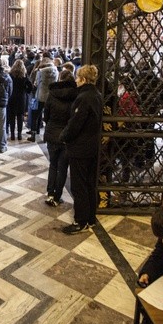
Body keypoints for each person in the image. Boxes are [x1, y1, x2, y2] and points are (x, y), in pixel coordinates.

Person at [59, 64, 102, 234]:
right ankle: (90, 218)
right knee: (89, 183)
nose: (76, 81)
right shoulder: (96, 94)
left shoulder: (84, 97)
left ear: (83, 79)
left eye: (78, 78)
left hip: (81, 148)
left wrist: (63, 137)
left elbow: (75, 124)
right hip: (91, 146)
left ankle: (81, 221)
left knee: (79, 186)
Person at [43, 69, 77, 206]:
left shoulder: (52, 94)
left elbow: (46, 115)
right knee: (62, 167)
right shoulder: (75, 95)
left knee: (53, 165)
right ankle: (57, 197)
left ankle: (50, 194)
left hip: (52, 133)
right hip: (66, 136)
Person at [28, 56, 57, 142]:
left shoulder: (40, 72)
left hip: (40, 95)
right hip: (51, 96)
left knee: (35, 115)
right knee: (48, 117)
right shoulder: (55, 71)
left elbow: (36, 83)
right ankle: (46, 136)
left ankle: (33, 134)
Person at [7, 59, 32, 141]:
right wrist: (26, 91)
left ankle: (12, 134)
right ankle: (19, 134)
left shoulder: (10, 74)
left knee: (12, 116)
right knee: (20, 116)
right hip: (21, 97)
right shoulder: (24, 75)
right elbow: (30, 86)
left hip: (12, 96)